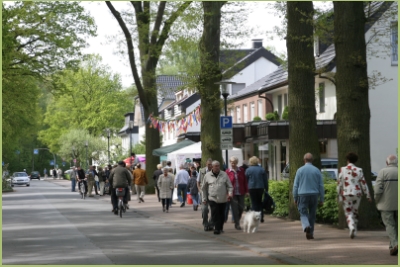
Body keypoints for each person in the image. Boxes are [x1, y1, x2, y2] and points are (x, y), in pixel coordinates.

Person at [337, 152, 371, 239]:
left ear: (347, 160)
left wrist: (338, 194)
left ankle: (351, 227)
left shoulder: (343, 169)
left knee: (348, 212)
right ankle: (355, 231)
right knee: (355, 211)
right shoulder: (359, 170)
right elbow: (363, 183)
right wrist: (368, 195)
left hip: (346, 193)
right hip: (357, 193)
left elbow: (339, 183)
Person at [293, 153, 324, 240]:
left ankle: (306, 225)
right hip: (314, 195)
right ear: (312, 160)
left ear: (304, 160)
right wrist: (322, 198)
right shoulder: (317, 170)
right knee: (312, 214)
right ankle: (311, 233)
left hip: (302, 195)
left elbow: (295, 186)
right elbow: (321, 185)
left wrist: (295, 198)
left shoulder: (300, 170)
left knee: (303, 212)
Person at [374, 154, 398, 255]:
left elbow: (378, 190)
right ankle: (392, 247)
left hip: (386, 204)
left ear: (387, 162)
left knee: (390, 225)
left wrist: (376, 200)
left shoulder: (383, 172)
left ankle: (395, 243)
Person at [202, 160, 233, 235]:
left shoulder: (224, 174)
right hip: (212, 198)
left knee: (222, 214)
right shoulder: (207, 175)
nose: (217, 167)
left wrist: (230, 193)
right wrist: (204, 198)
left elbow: (230, 186)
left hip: (223, 198)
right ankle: (217, 228)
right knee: (215, 213)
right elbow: (204, 188)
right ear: (212, 167)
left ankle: (220, 227)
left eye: (218, 166)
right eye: (215, 166)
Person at [226, 156, 248, 230]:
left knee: (241, 208)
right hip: (233, 193)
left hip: (241, 192)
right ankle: (237, 224)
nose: (233, 164)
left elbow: (245, 181)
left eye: (234, 163)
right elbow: (226, 183)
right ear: (230, 163)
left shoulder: (241, 170)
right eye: (232, 163)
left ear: (237, 163)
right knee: (234, 209)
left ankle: (236, 220)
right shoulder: (228, 172)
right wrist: (227, 193)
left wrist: (247, 191)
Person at [245, 156, 268, 223]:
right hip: (260, 187)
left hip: (251, 188)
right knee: (259, 202)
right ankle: (261, 216)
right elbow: (265, 180)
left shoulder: (248, 170)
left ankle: (254, 217)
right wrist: (266, 189)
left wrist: (246, 190)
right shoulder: (261, 169)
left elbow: (246, 180)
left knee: (254, 202)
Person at [197, 158, 214, 231]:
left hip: (213, 193)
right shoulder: (202, 171)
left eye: (211, 164)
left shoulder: (215, 171)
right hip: (203, 192)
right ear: (206, 164)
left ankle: (211, 224)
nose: (210, 166)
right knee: (204, 209)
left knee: (214, 209)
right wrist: (199, 190)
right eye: (209, 164)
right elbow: (198, 181)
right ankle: (205, 224)